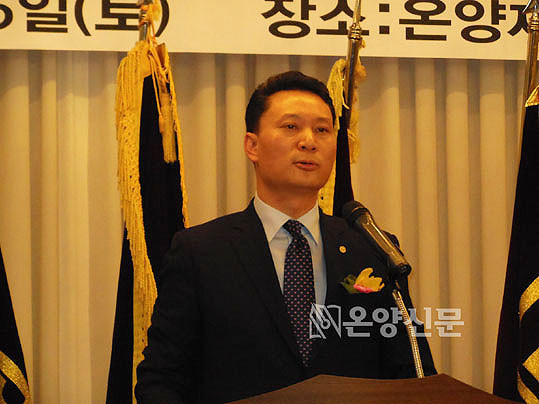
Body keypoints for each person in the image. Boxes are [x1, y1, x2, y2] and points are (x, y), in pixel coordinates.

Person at [135, 71, 436, 403]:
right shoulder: (200, 253)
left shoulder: (371, 249)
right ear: (252, 146)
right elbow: (162, 379)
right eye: (291, 127)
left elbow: (410, 372)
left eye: (322, 130)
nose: (308, 141)